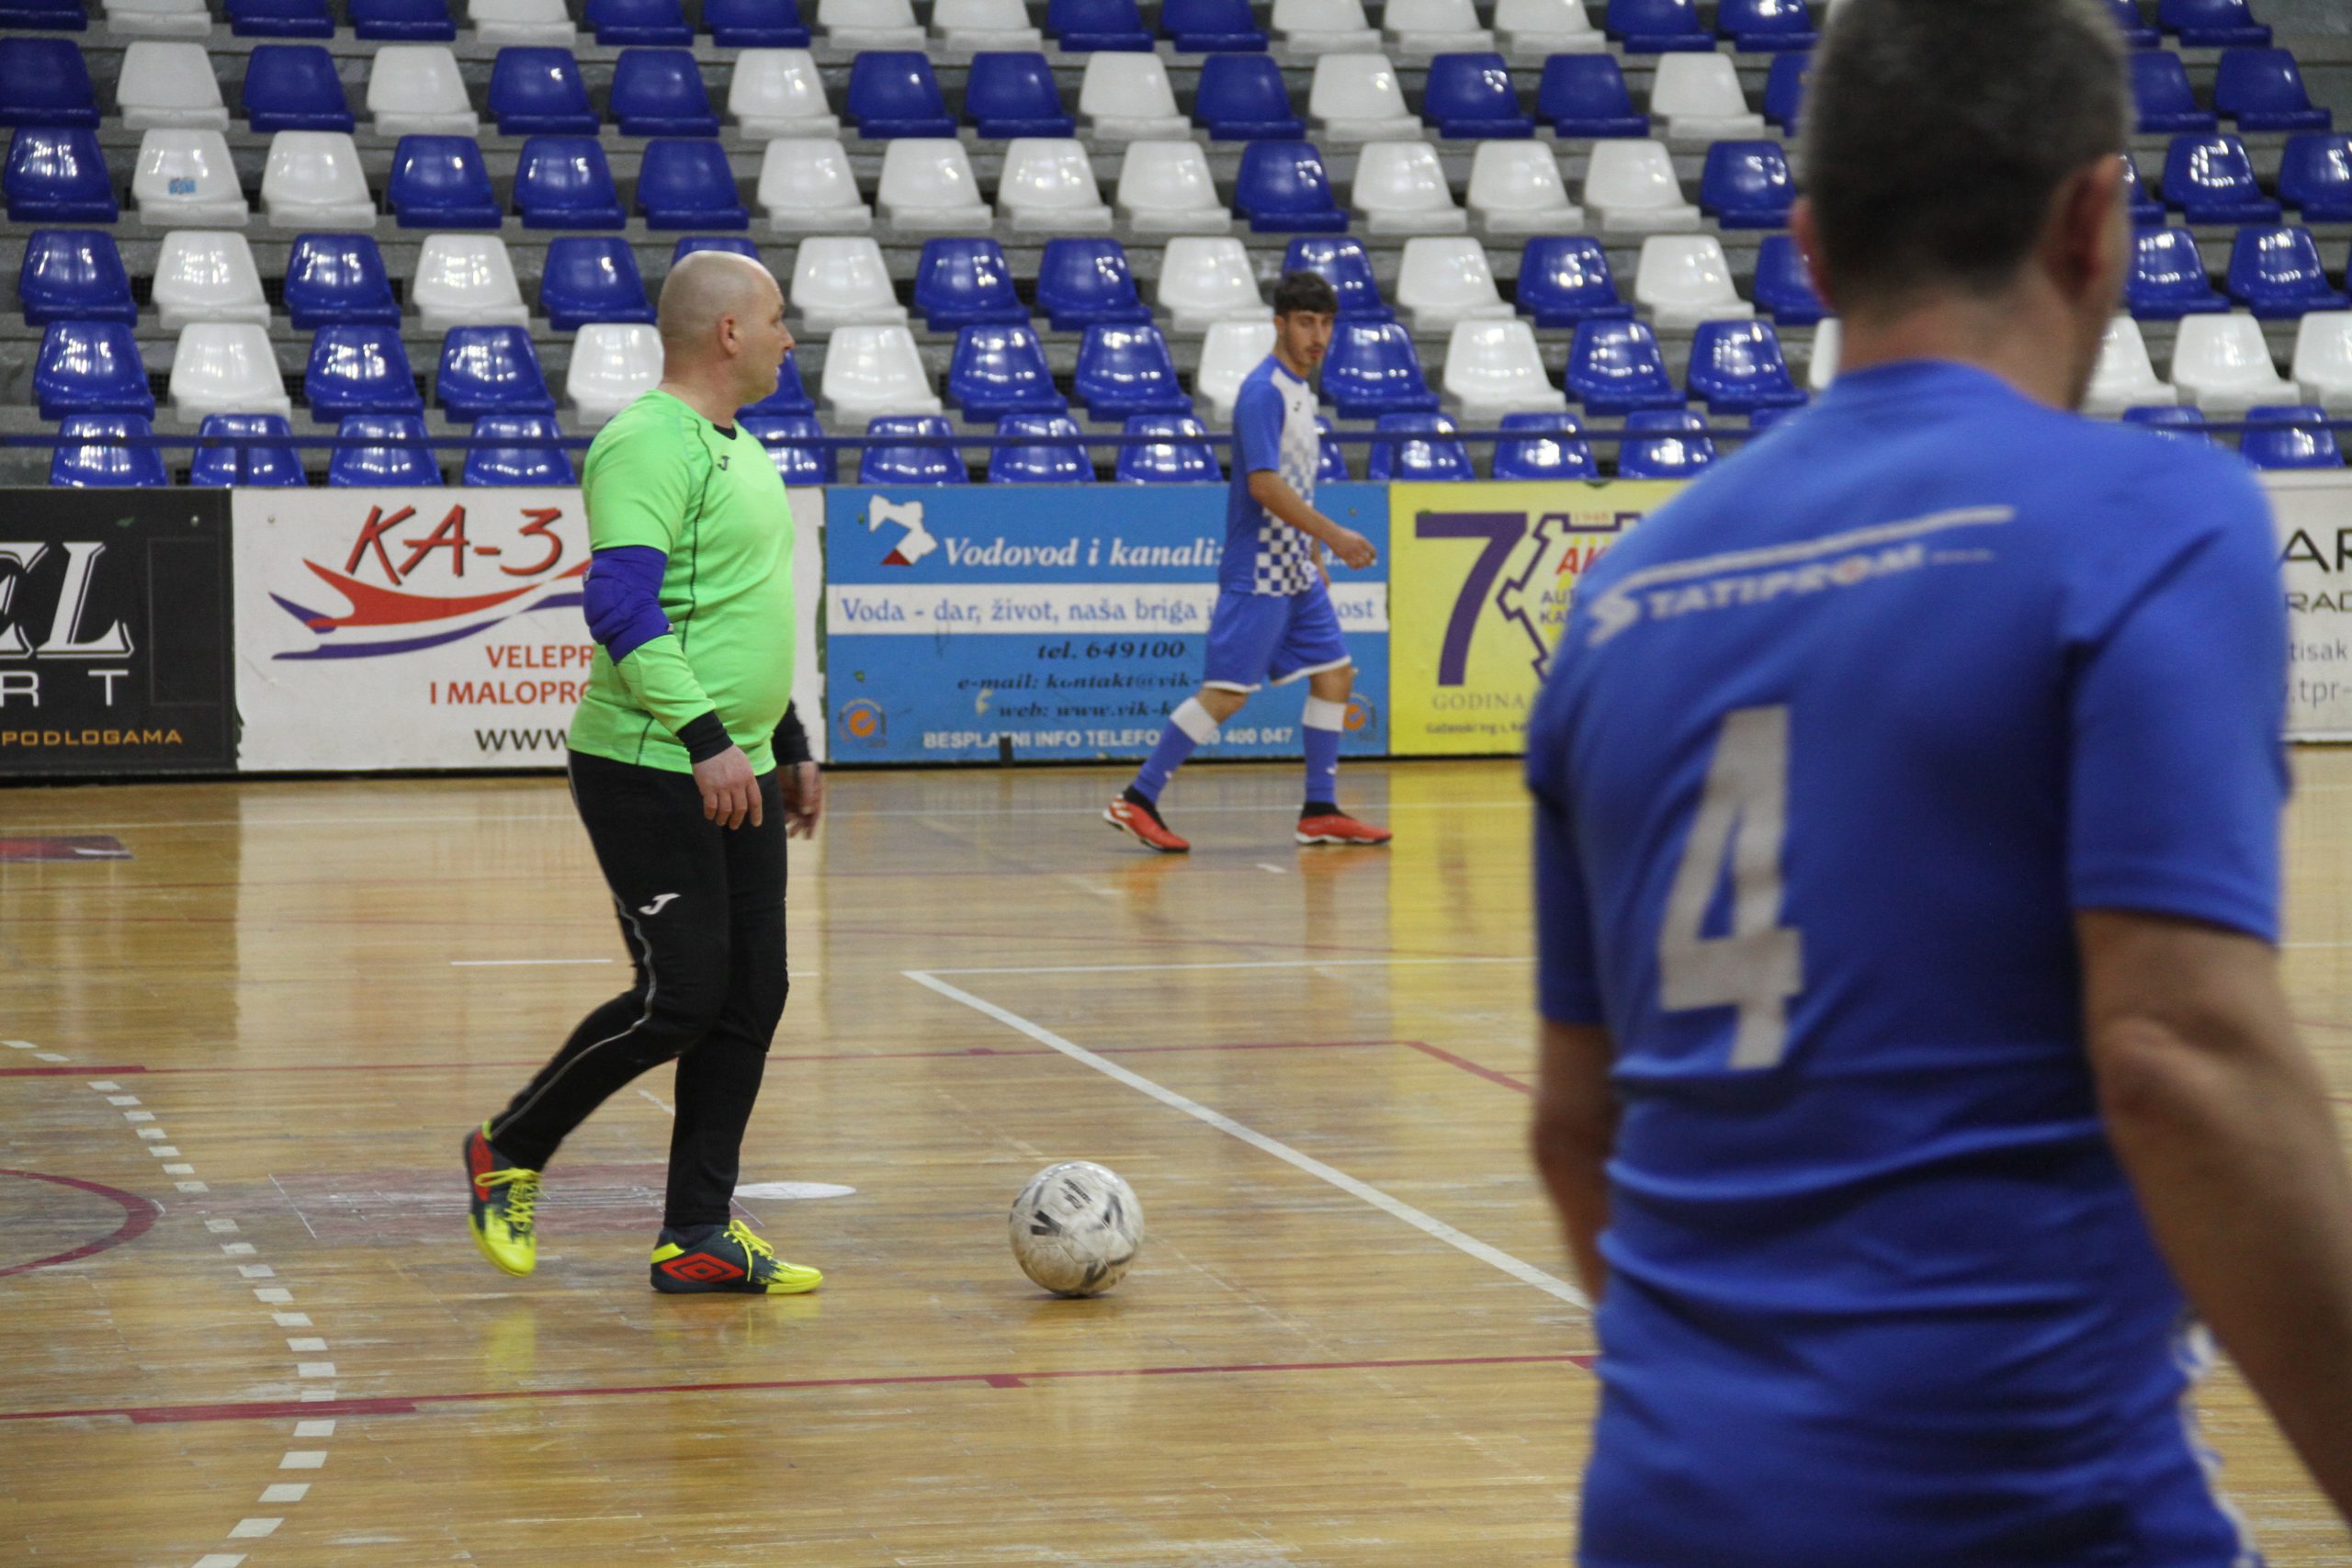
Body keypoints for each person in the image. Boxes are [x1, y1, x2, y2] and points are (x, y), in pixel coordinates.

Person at [1524, 1, 2352, 1562]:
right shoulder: (2149, 520)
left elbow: (1577, 1134)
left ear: (1812, 250)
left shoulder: (1623, 598)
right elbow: (2180, 1058)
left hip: (1661, 1514)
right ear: (2093, 220)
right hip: (2025, 1514)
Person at [461, 251, 828, 1296]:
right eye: (775, 317)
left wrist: (784, 737)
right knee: (684, 997)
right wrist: (708, 739)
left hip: (735, 762)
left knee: (753, 994)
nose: (787, 336)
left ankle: (698, 1232)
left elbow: (737, 611)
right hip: (648, 765)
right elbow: (620, 604)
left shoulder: (741, 448)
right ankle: (509, 1149)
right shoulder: (645, 443)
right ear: (728, 332)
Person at [1104, 272, 1393, 854]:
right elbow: (1263, 485)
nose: (1318, 336)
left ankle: (1319, 810)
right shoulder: (1263, 392)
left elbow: (1295, 481)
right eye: (1306, 323)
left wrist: (1312, 550)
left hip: (1294, 569)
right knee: (1227, 694)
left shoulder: (1299, 390)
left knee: (1335, 675)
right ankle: (1137, 798)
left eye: (1326, 324)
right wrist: (1334, 535)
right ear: (1280, 324)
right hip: (1258, 571)